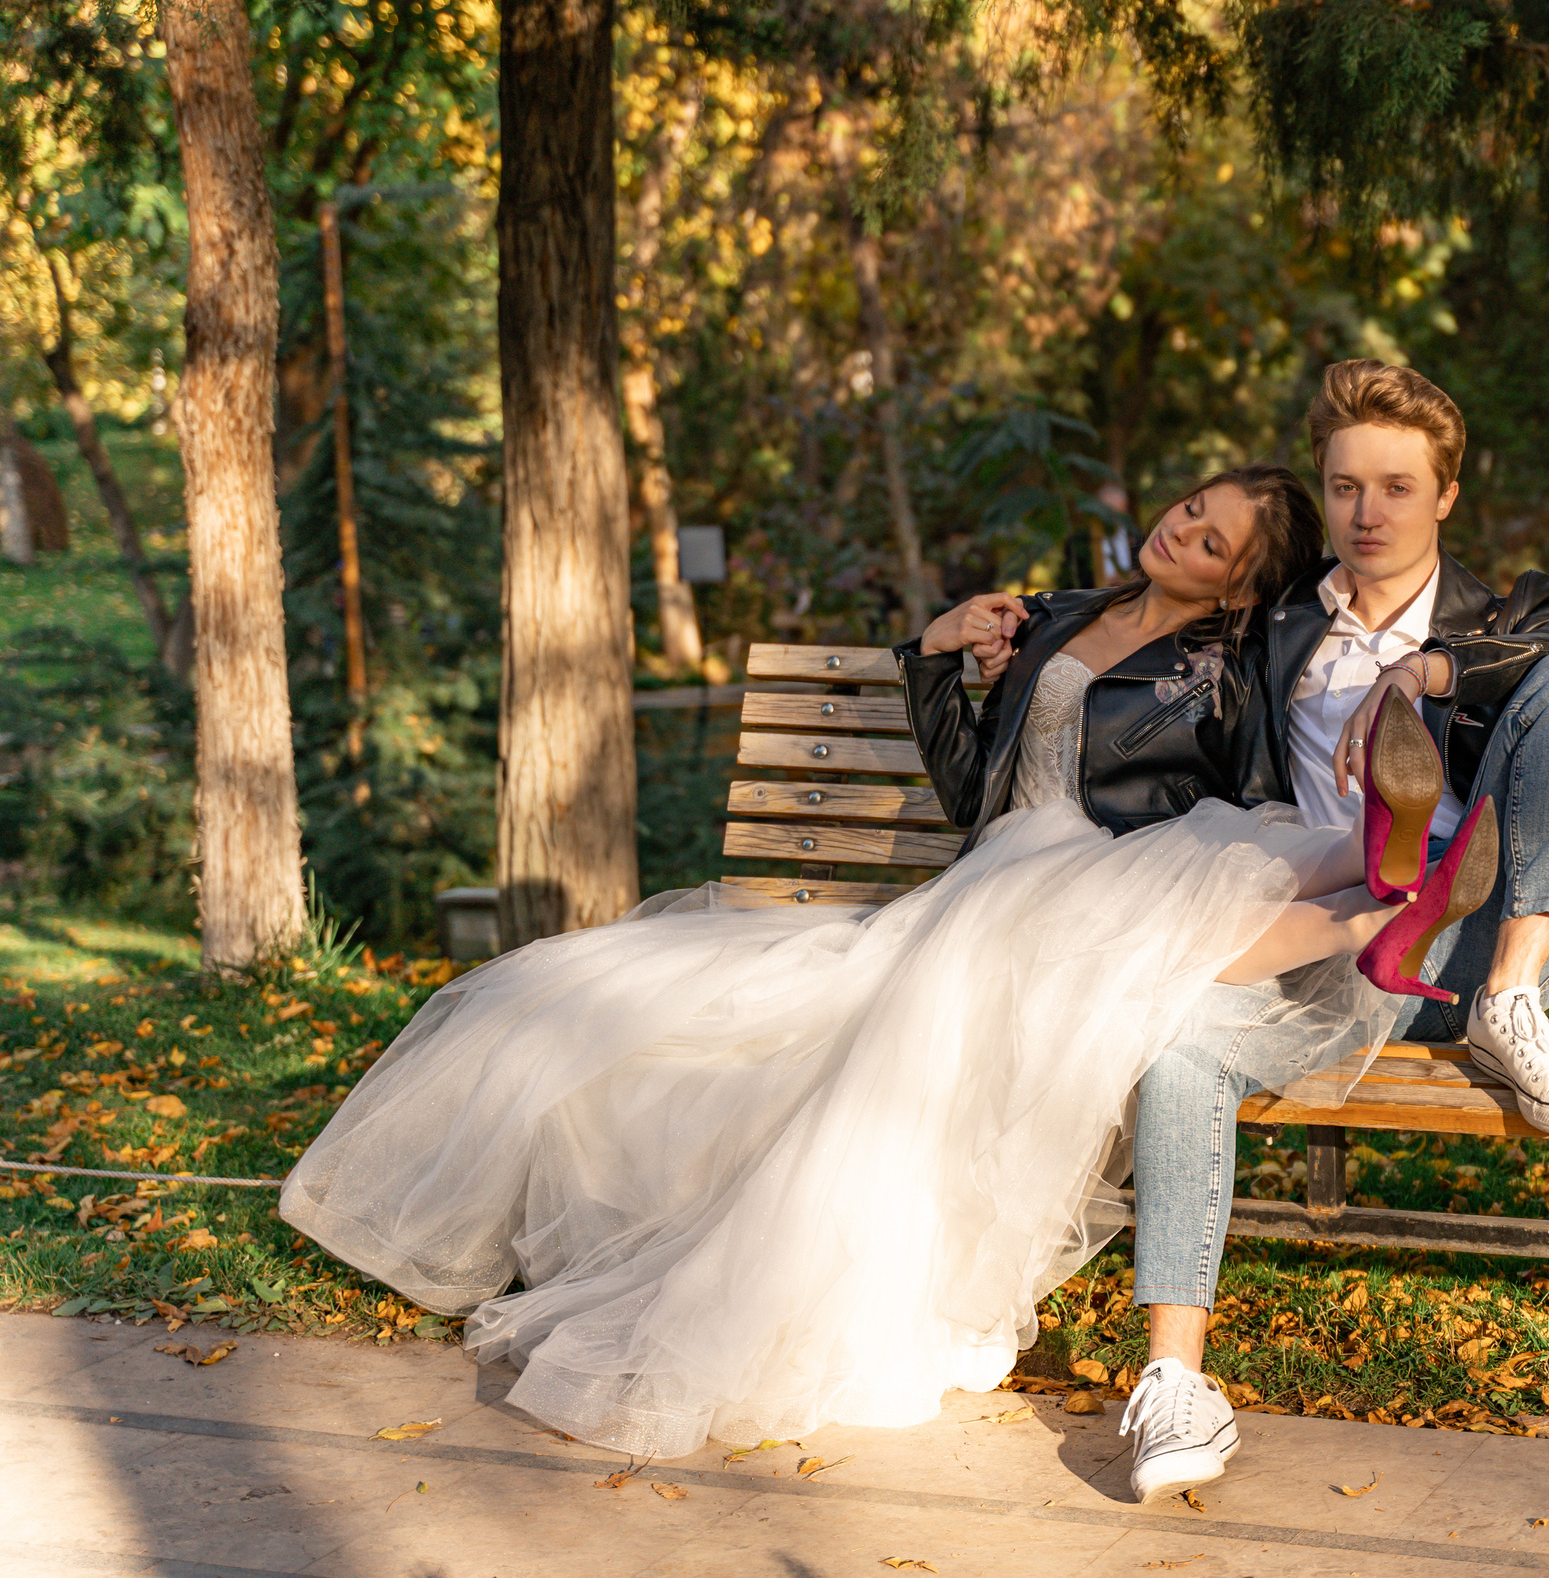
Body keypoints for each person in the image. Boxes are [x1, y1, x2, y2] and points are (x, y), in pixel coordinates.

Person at [277, 464, 1477, 1470]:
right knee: (612, 999)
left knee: (1223, 864)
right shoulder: (1059, 617)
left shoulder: (1226, 670)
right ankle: (1381, 904)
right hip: (1011, 874)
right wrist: (942, 652)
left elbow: (1253, 792)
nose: (1184, 531)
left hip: (1118, 872)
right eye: (1188, 509)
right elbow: (973, 791)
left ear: (1240, 582)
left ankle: (1388, 885)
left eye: (1215, 540)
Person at [1112, 361, 1549, 1503]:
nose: (1369, 513)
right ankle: (1174, 1384)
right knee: (1175, 1040)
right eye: (1347, 487)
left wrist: (1432, 667)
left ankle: (1512, 1007)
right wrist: (995, 655)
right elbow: (1142, 660)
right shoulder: (1277, 634)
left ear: (1444, 496)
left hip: (1493, 929)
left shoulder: (1508, 613)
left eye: (1397, 487)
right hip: (1340, 941)